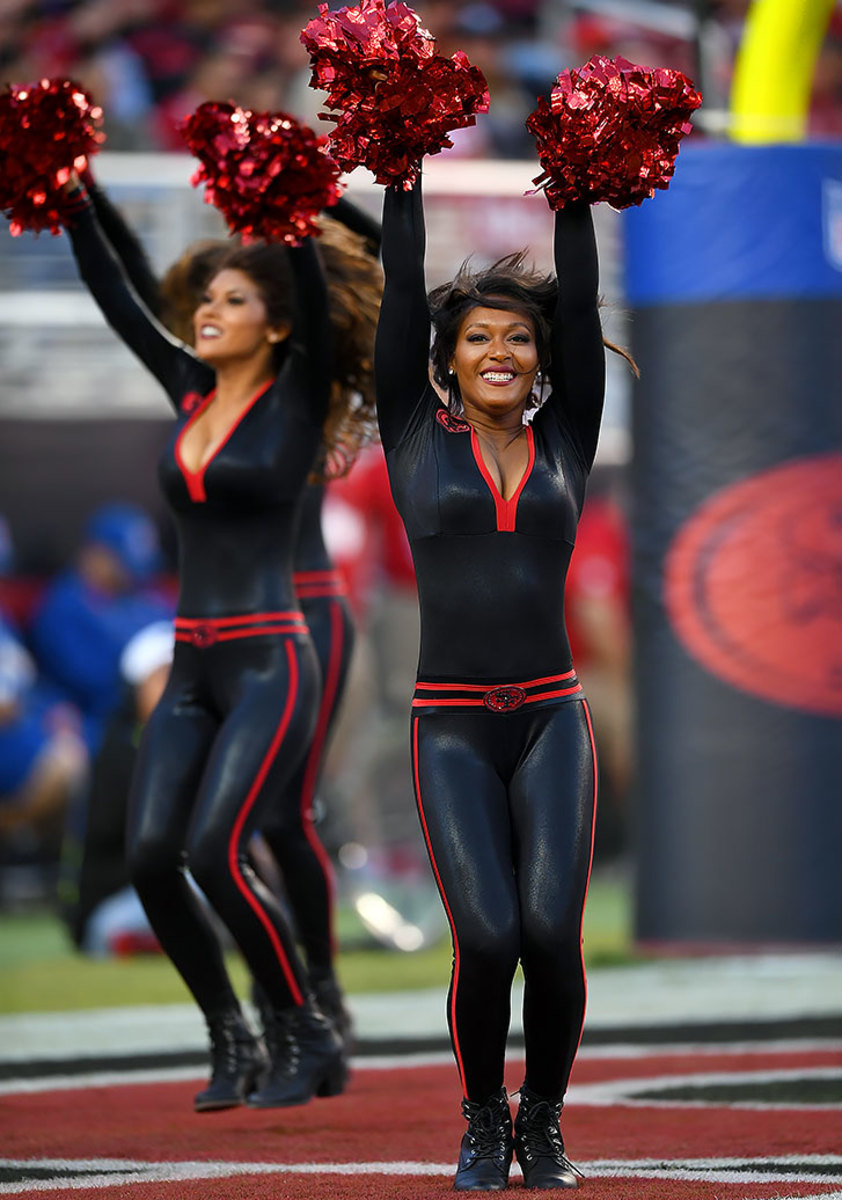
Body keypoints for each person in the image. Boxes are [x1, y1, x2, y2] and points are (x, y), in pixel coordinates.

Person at [57, 166, 369, 1114]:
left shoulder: (298, 390)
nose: (206, 310)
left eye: (232, 300)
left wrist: (290, 216)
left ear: (273, 325)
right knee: (155, 856)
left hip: (273, 657)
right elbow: (118, 291)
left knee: (220, 848)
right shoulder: (189, 388)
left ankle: (306, 1022)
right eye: (207, 297)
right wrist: (72, 193)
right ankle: (230, 1035)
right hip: (190, 660)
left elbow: (312, 289)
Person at [373, 158, 633, 1186]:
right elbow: (400, 291)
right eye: (477, 336)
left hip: (551, 723)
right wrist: (401, 166)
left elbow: (584, 304)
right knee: (485, 936)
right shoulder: (407, 433)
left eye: (516, 337)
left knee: (549, 936)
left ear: (540, 362)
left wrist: (574, 182)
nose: (499, 350)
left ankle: (545, 1120)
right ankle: (483, 1118)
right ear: (443, 362)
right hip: (449, 729)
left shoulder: (568, 436)